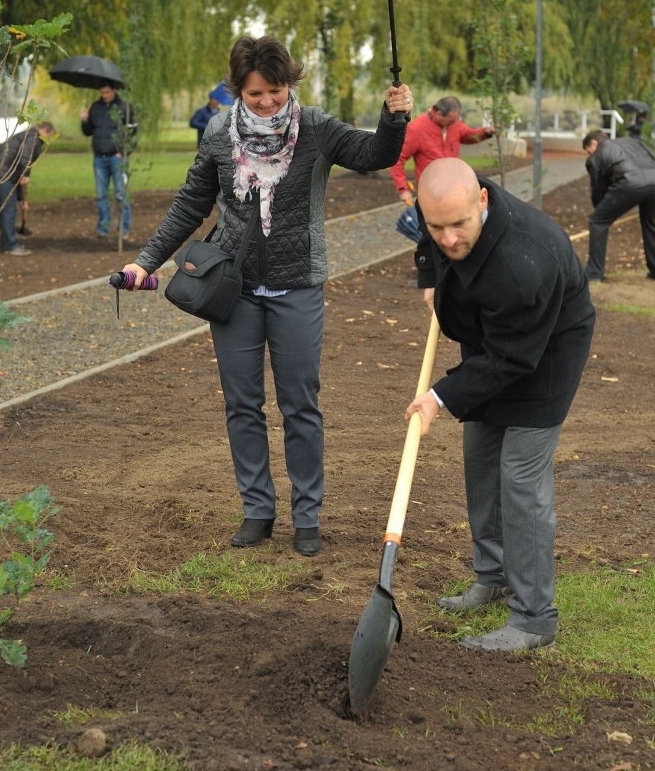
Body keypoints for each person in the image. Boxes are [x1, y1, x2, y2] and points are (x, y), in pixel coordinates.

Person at [121, 35, 413, 557]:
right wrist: (145, 260)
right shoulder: (217, 132)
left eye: (276, 91)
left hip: (296, 283)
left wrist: (394, 118)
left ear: (289, 85)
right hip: (233, 291)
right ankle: (257, 510)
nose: (267, 103)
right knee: (243, 404)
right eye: (256, 94)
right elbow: (191, 204)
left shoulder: (318, 129)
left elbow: (374, 155)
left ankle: (307, 515)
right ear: (239, 89)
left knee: (300, 404)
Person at [406, 158, 595, 652]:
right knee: (481, 458)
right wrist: (430, 275)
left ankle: (534, 619)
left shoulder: (521, 265)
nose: (447, 239)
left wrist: (438, 398)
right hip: (496, 339)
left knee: (520, 478)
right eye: (436, 226)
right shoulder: (447, 213)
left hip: (545, 350)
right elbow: (430, 243)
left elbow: (512, 358)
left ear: (482, 202)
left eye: (458, 226)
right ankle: (492, 577)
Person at [582, 128, 655, 282]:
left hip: (629, 184)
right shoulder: (634, 141)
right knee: (649, 222)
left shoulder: (596, 157)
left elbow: (598, 189)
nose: (589, 154)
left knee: (597, 222)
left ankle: (594, 274)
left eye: (588, 150)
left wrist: (604, 214)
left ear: (593, 142)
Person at [390, 95, 494, 207]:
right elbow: (397, 158)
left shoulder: (455, 124)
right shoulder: (417, 129)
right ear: (439, 114)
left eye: (456, 120)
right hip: (431, 193)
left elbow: (468, 135)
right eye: (450, 121)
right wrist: (403, 189)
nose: (454, 124)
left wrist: (486, 132)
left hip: (455, 188)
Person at [81, 81, 138, 239]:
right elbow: (88, 132)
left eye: (107, 92)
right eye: (102, 92)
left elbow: (133, 133)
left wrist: (124, 152)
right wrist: (85, 120)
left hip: (117, 157)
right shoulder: (95, 107)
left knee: (121, 194)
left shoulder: (125, 108)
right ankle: (103, 229)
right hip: (99, 157)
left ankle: (123, 229)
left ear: (114, 90)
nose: (104, 95)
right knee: (101, 195)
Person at [0, 122, 54, 256]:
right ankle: (10, 246)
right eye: (49, 136)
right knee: (8, 209)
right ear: (44, 131)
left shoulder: (25, 136)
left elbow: (17, 172)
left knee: (4, 208)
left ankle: (8, 242)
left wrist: (22, 199)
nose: (48, 140)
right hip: (3, 174)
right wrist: (26, 175)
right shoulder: (33, 139)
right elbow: (25, 158)